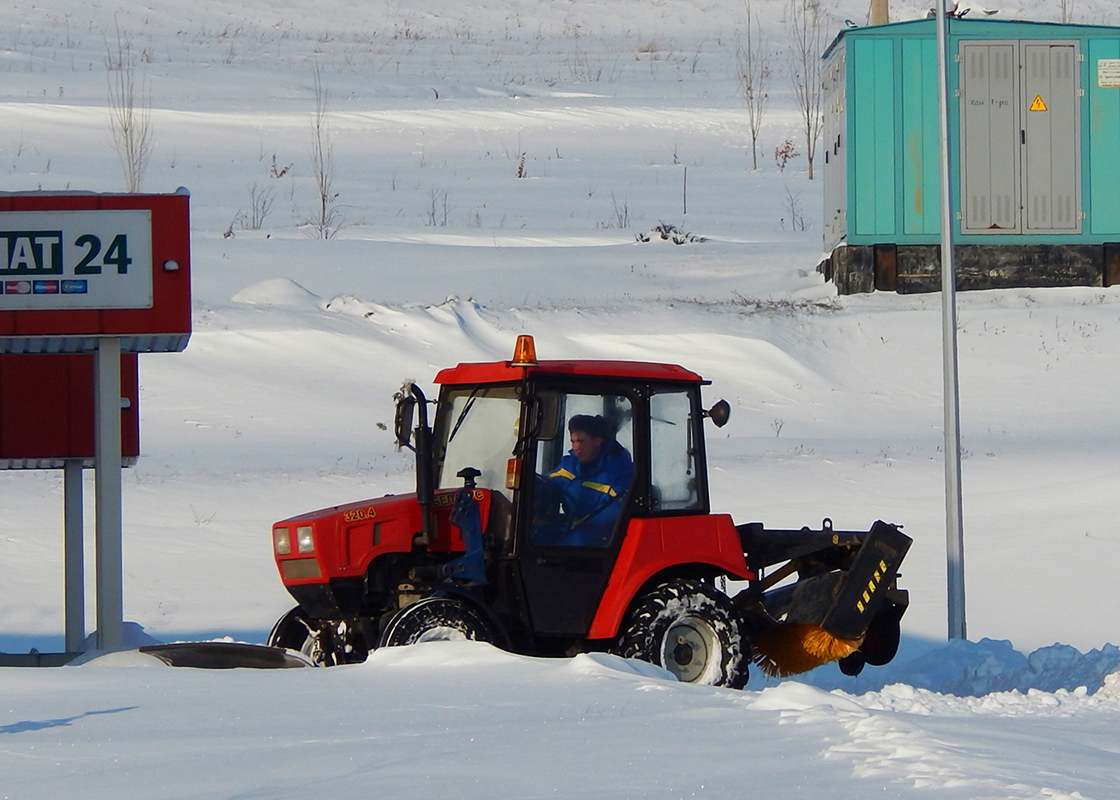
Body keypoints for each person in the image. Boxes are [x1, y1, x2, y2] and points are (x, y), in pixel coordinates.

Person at [543, 414, 633, 546]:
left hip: (602, 537)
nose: (576, 447)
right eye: (573, 442)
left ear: (597, 441)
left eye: (580, 441)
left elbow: (620, 508)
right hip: (572, 526)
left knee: (574, 541)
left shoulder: (618, 472)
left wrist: (588, 521)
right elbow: (548, 483)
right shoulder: (571, 465)